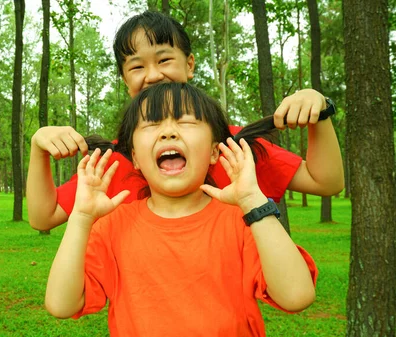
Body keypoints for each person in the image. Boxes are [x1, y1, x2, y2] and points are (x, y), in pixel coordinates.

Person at [27, 10, 344, 231]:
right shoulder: (112, 161)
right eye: (136, 67)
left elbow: (326, 181)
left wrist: (321, 112)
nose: (152, 75)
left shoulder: (233, 147)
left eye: (164, 59)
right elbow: (44, 217)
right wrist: (38, 147)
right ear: (125, 81)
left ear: (189, 64)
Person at [44, 82, 317, 336]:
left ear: (214, 152)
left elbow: (296, 296)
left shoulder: (244, 221)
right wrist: (80, 218)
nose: (168, 131)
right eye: (151, 124)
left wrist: (253, 202)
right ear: (136, 158)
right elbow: (61, 304)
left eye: (186, 121)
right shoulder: (113, 227)